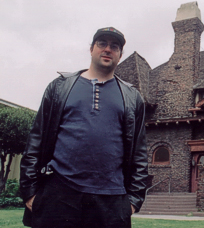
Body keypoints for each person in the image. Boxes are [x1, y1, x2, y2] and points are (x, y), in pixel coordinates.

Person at [20, 27, 148, 228]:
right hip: (59, 193)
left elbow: (140, 153)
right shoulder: (60, 87)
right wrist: (30, 192)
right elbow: (35, 140)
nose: (108, 49)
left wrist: (133, 202)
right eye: (102, 44)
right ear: (91, 49)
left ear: (120, 55)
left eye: (114, 46)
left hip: (112, 200)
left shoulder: (132, 98)